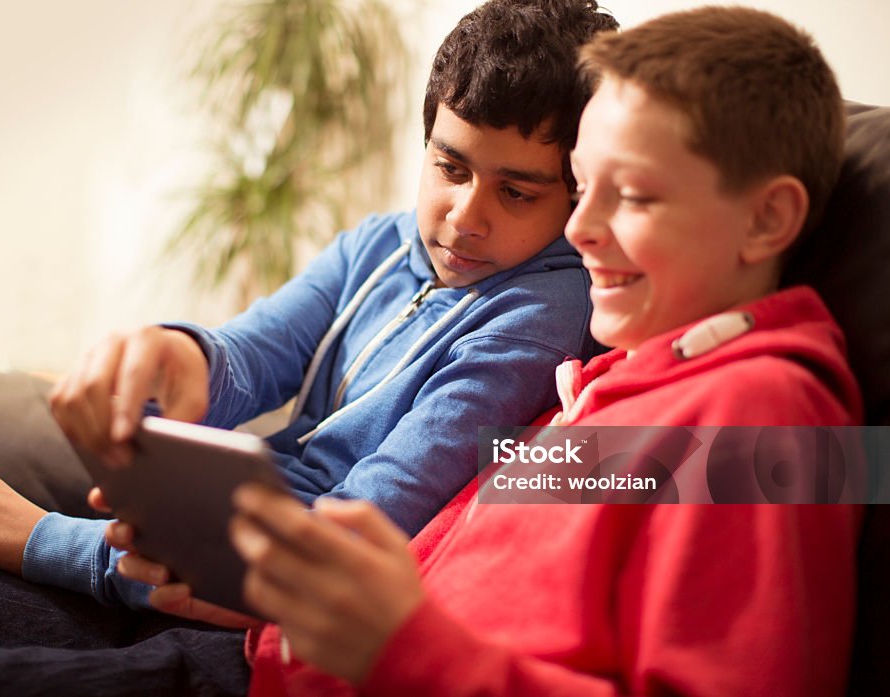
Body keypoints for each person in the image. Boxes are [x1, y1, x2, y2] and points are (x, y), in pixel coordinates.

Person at [0, 1, 617, 694]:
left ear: (577, 194)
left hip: (235, 609)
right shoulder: (381, 244)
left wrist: (49, 540)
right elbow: (249, 354)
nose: (465, 216)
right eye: (449, 167)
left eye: (516, 193)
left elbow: (356, 529)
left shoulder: (541, 313)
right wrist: (177, 358)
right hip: (187, 553)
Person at [150, 7, 859, 695]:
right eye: (582, 189)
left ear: (767, 218)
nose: (579, 231)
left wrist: (402, 646)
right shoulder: (624, 378)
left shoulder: (772, 419)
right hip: (272, 649)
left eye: (635, 197)